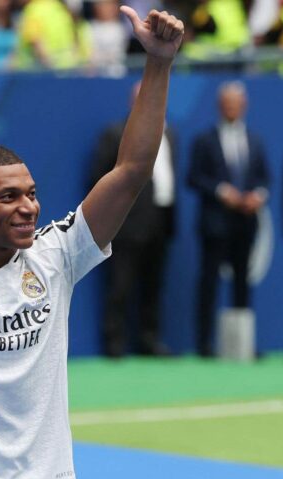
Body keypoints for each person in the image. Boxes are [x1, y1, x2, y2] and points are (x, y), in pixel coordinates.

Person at [0, 8, 183, 479]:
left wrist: (158, 64)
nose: (28, 207)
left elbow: (130, 171)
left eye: (30, 193)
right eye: (8, 197)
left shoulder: (57, 254)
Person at [90, 81, 176, 358]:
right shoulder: (115, 134)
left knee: (155, 285)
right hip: (126, 224)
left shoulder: (171, 133)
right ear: (133, 103)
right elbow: (99, 177)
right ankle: (114, 344)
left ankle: (149, 341)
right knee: (120, 286)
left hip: (161, 221)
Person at [187, 81, 270, 358]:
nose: (232, 107)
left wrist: (257, 195)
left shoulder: (255, 140)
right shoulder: (204, 140)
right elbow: (194, 177)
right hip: (215, 223)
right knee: (209, 282)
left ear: (244, 105)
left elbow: (264, 177)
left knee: (242, 283)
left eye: (236, 102)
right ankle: (205, 343)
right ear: (220, 106)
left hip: (246, 223)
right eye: (227, 103)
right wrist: (223, 192)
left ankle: (242, 345)